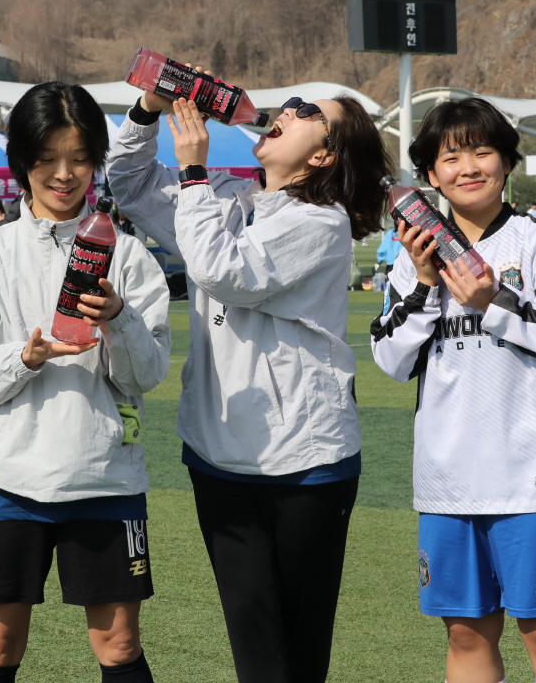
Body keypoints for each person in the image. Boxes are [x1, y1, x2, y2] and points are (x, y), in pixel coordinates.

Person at [107, 80, 393, 683]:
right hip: (218, 452)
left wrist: (192, 173)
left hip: (305, 459)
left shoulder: (321, 221)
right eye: (289, 104)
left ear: (324, 155)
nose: (286, 111)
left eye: (307, 112)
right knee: (254, 644)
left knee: (300, 650)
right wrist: (148, 109)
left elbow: (226, 272)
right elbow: (128, 182)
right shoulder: (226, 196)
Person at [0, 82, 171, 683]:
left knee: (119, 644)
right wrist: (24, 358)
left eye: (80, 158)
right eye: (46, 159)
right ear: (21, 162)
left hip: (104, 477)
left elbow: (148, 373)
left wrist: (118, 319)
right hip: (4, 480)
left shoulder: (128, 257)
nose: (64, 175)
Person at [371, 97, 536, 683]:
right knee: (466, 635)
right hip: (447, 481)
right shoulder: (414, 256)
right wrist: (426, 286)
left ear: (507, 162)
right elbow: (391, 359)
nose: (468, 167)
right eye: (451, 158)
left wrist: (491, 302)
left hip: (534, 479)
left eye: (482, 151)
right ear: (430, 175)